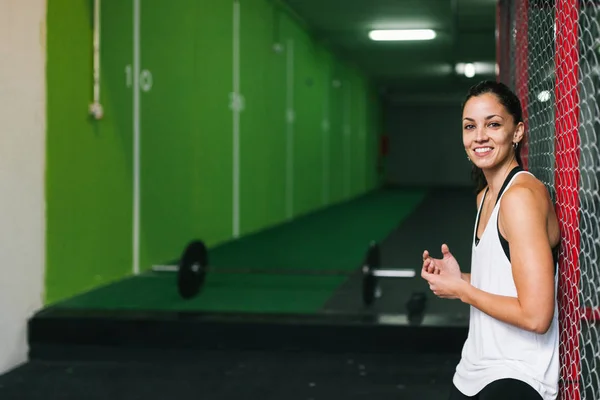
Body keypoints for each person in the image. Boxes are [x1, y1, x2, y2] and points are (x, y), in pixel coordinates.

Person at [420, 80, 561, 400]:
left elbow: (537, 316)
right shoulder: (485, 196)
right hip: (476, 368)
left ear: (518, 132)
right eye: (470, 126)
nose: (479, 136)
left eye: (493, 124)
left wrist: (463, 290)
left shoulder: (521, 197)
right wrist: (460, 280)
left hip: (516, 375)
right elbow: (510, 282)